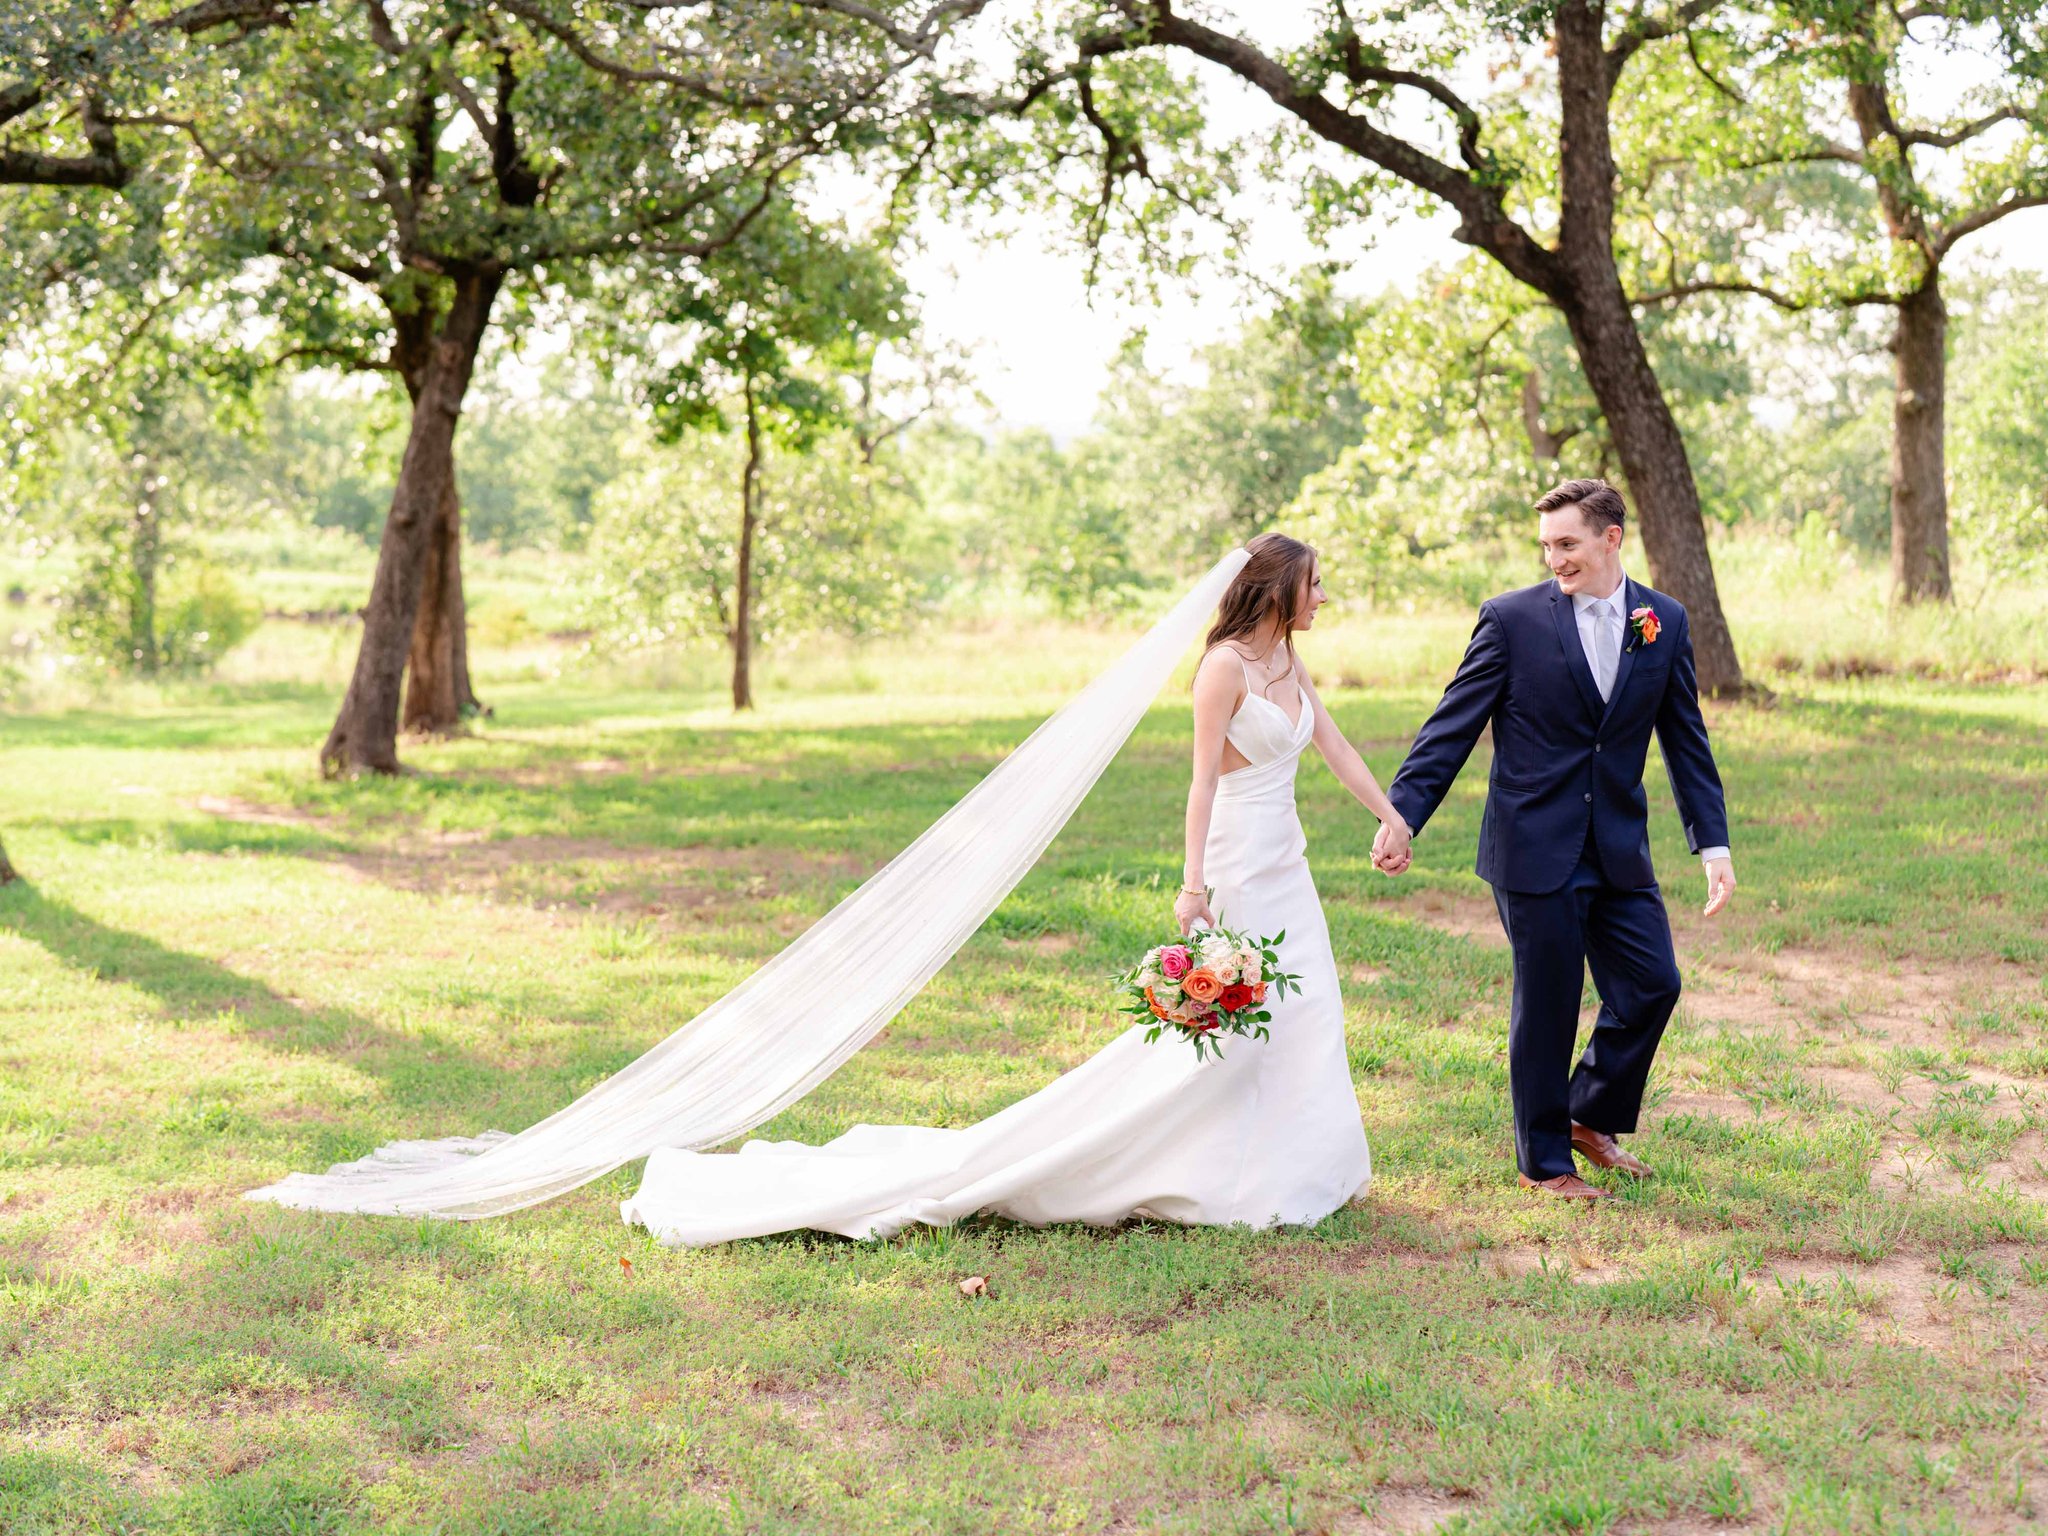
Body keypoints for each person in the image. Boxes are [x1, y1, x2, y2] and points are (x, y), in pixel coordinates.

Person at [618, 532, 1393, 1246]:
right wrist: (1193, 888)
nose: (1323, 597)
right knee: (1230, 1028)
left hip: (1287, 863)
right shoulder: (1222, 666)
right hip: (1234, 860)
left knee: (1307, 1007)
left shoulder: (1289, 663)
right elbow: (1199, 786)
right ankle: (1182, 1164)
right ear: (1275, 589)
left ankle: (1302, 1167)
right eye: (1314, 585)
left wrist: (1392, 817)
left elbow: (1336, 748)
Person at [1374, 479, 1734, 1200]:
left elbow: (1685, 740)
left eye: (1567, 544)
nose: (1556, 560)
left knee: (1653, 984)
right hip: (1532, 843)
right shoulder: (1511, 620)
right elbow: (1454, 723)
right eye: (1547, 546)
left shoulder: (1663, 619)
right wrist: (1403, 813)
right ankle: (1544, 1162)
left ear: (1610, 538)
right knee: (1548, 1000)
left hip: (1618, 844)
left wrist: (1713, 845)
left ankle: (1587, 1113)